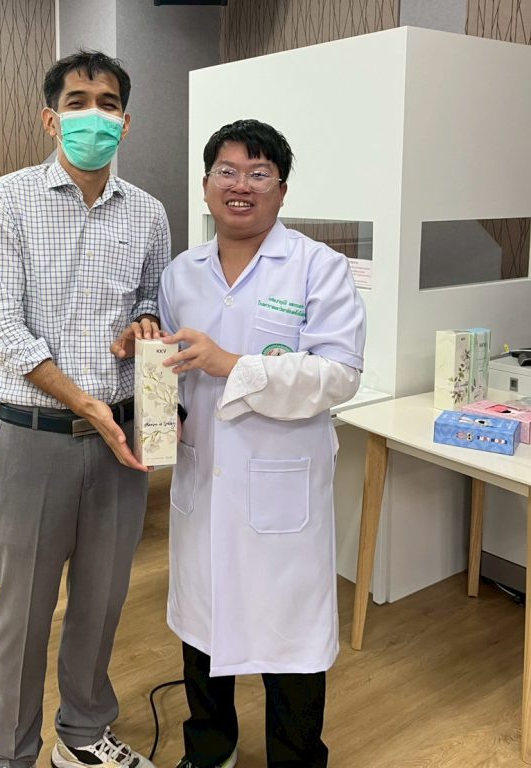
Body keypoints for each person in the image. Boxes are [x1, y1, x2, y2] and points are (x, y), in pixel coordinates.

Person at [0, 50, 170, 768]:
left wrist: (143, 325)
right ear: (50, 118)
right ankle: (11, 755)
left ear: (126, 121)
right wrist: (86, 404)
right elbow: (5, 329)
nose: (94, 116)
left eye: (108, 103)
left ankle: (83, 736)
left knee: (102, 602)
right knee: (23, 615)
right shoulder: (6, 199)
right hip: (38, 437)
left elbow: (152, 300)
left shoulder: (148, 212)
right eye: (78, 102)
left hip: (120, 439)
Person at [157, 119, 366, 768]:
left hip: (282, 488)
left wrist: (232, 365)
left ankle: (296, 758)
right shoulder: (181, 274)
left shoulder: (318, 268)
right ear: (206, 185)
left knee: (291, 643)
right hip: (203, 477)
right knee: (202, 628)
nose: (240, 186)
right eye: (227, 171)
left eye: (258, 174)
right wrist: (164, 416)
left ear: (281, 190)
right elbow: (170, 371)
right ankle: (209, 748)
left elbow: (339, 375)